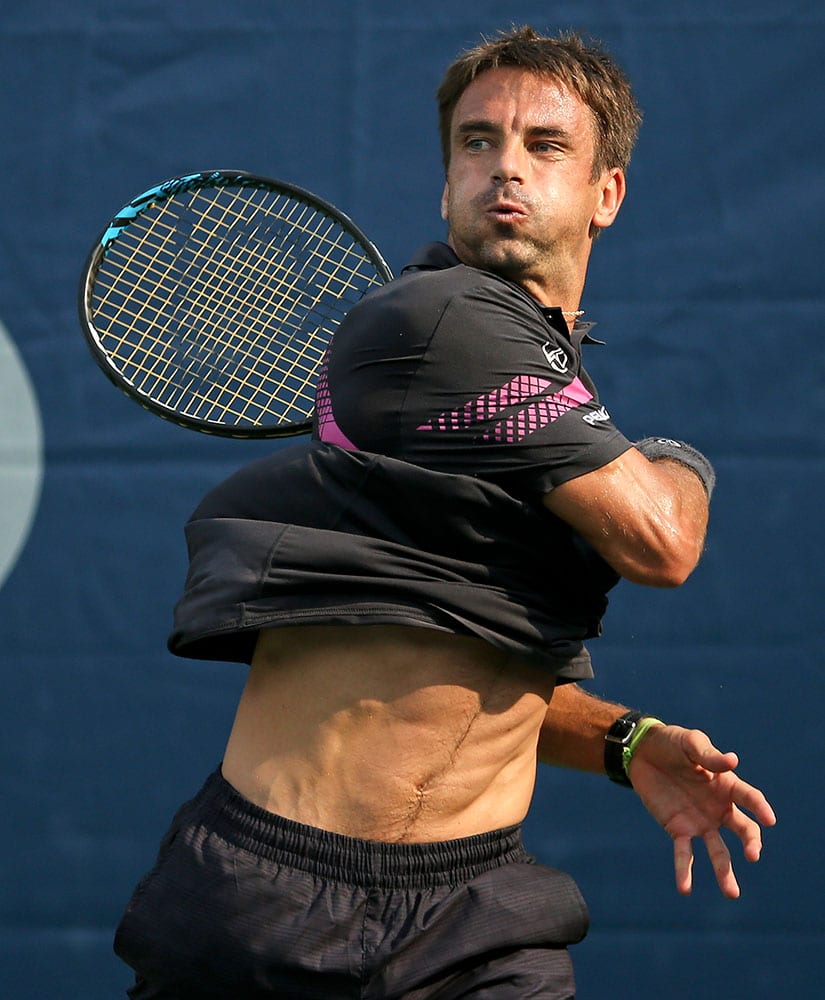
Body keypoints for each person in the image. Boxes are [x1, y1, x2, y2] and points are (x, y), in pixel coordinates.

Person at [114, 26, 776, 999]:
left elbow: (465, 673)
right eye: (477, 141)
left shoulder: (528, 379)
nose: (505, 166)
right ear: (445, 183)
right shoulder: (438, 321)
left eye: (544, 144)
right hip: (276, 896)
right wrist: (681, 457)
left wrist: (624, 740)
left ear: (607, 193)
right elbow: (663, 540)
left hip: (474, 914)